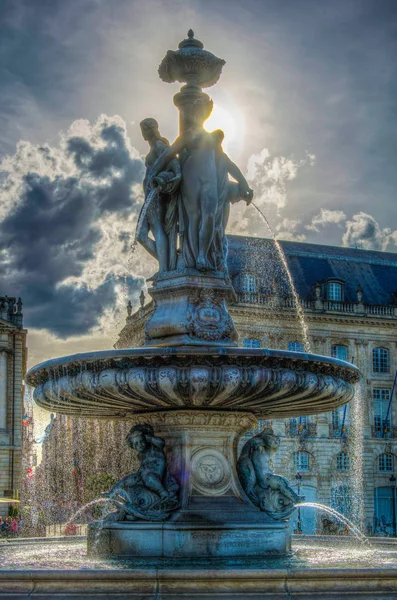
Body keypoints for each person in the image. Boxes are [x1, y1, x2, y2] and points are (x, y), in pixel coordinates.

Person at [136, 118, 181, 273]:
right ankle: (168, 262)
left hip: (155, 196)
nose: (143, 133)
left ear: (151, 129)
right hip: (149, 196)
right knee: (140, 235)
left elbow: (173, 161)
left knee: (156, 228)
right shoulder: (155, 147)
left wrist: (178, 174)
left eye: (144, 129)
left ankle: (164, 269)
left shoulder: (158, 145)